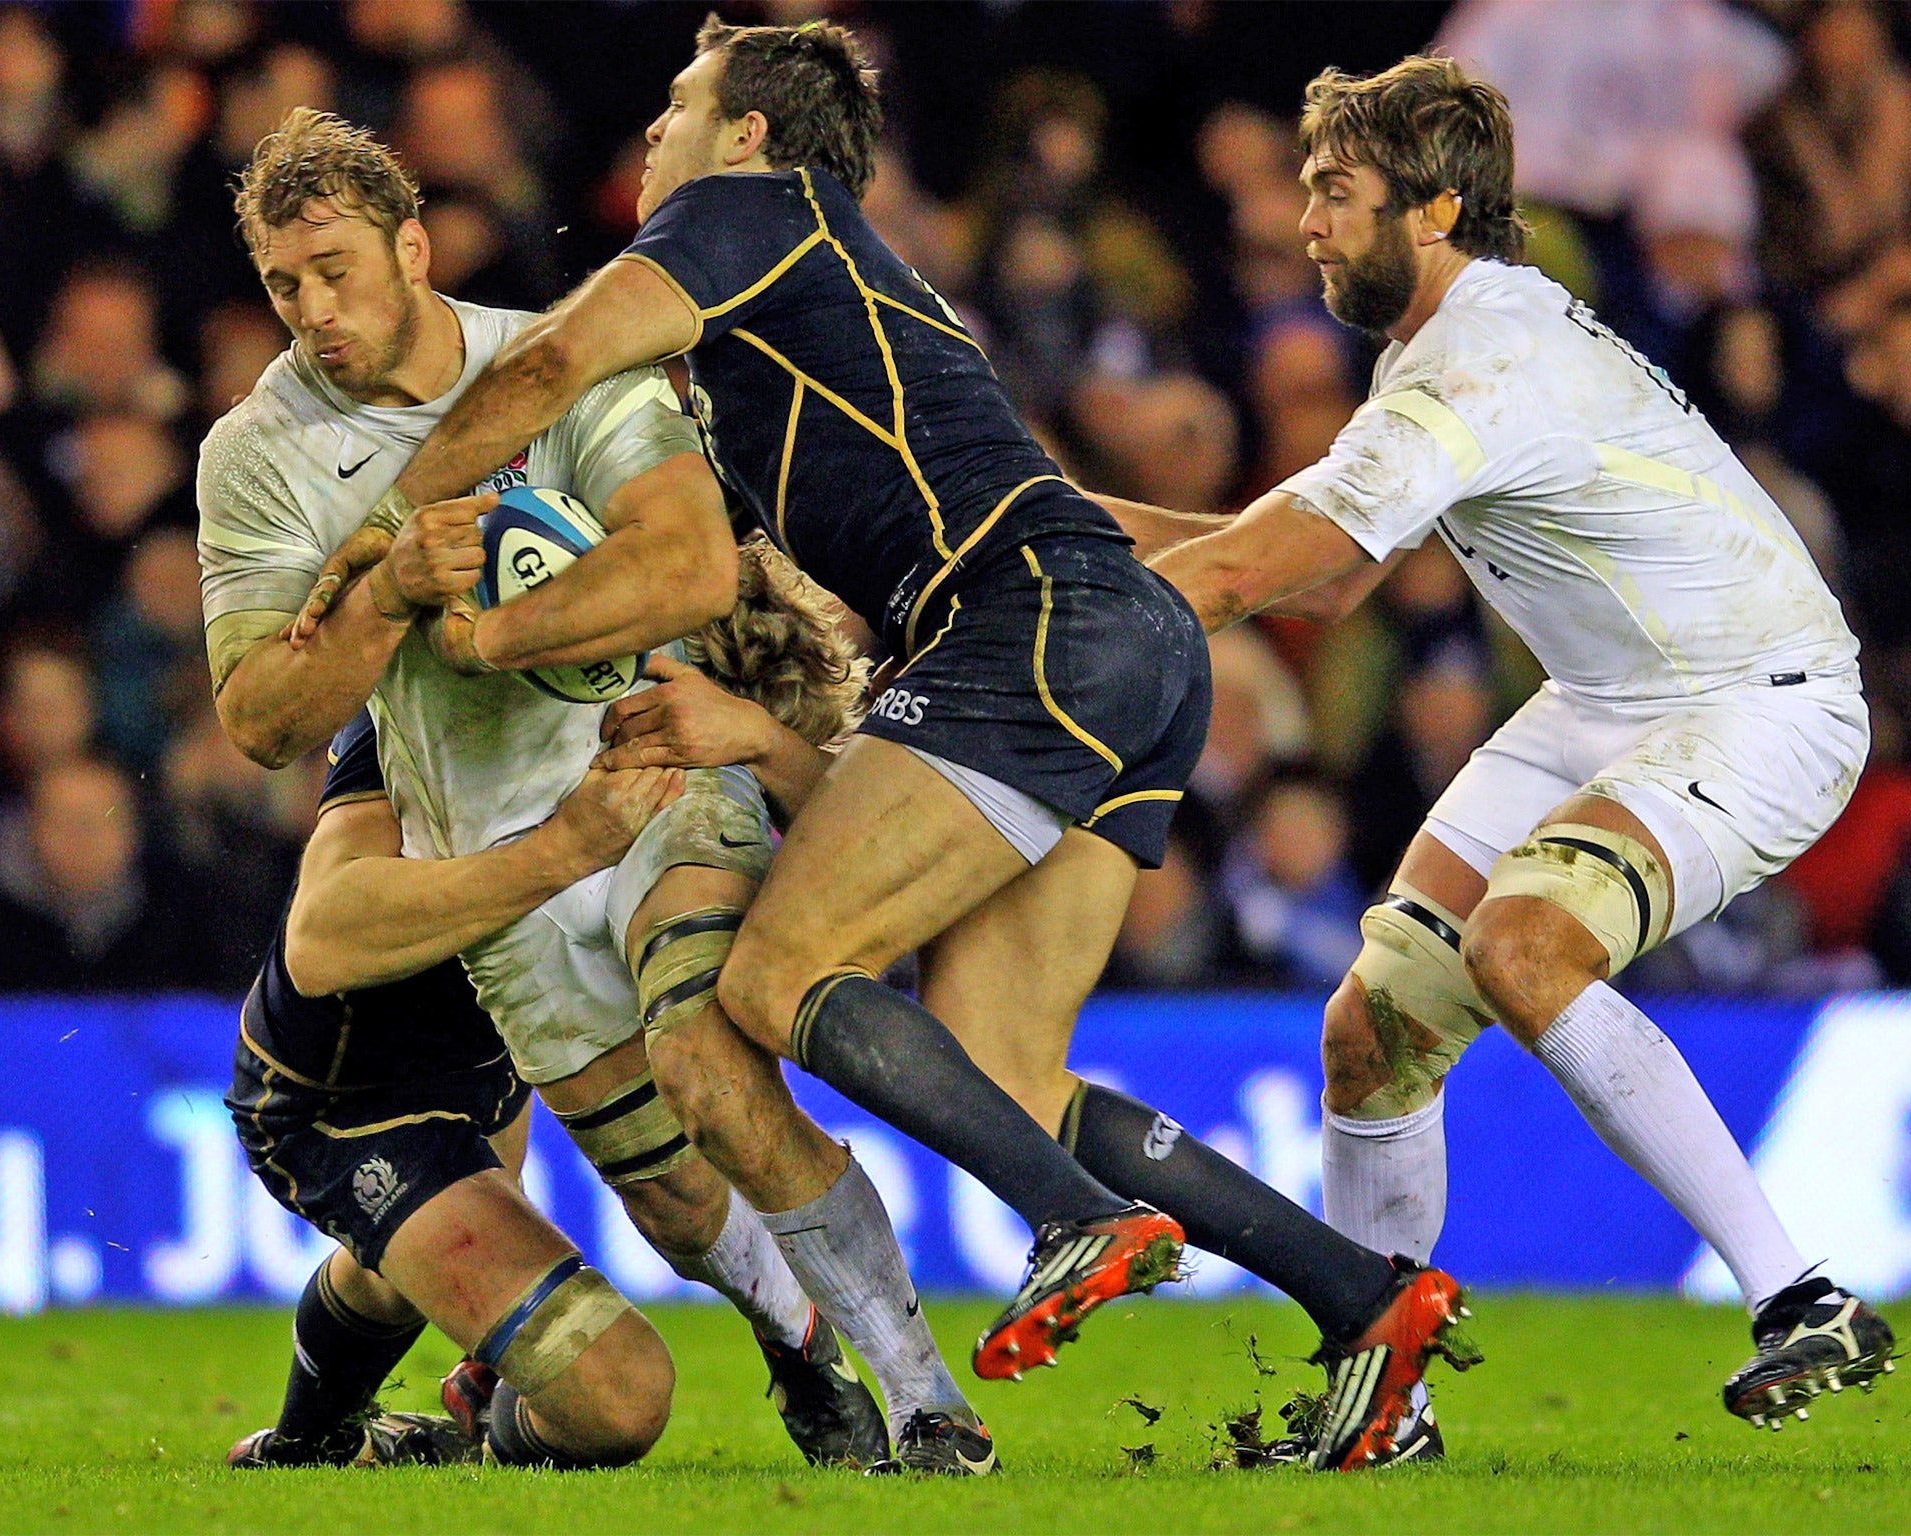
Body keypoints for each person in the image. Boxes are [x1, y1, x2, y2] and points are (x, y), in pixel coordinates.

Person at [295, 16, 1476, 1472]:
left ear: (750, 136)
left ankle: (1082, 1221)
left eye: (679, 102)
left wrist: (378, 525)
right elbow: (1058, 506)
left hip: (1024, 627)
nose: (654, 128)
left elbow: (537, 369)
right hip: (1123, 637)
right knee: (1004, 1072)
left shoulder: (754, 212)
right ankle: (1365, 1300)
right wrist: (1245, 565)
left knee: (781, 974)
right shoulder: (820, 313)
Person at [196, 108, 978, 1473]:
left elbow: (687, 569)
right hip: (499, 870)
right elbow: (264, 719)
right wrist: (386, 588)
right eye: (283, 283)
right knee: (674, 1199)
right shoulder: (255, 455)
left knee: (709, 1064)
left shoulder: (562, 365)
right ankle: (803, 1354)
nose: (314, 310)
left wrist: (488, 633)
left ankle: (930, 1409)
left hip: (652, 770)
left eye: (337, 268)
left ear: (416, 246)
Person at [1124, 55, 1896, 1434]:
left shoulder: (1482, 362)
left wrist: (1040, 572)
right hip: (1610, 698)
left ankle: (1801, 1296)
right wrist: (1052, 524)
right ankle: (1383, 1388)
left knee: (1522, 948)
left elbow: (1258, 578)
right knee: (1374, 1030)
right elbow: (1337, 574)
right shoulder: (1436, 343)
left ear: (1428, 211)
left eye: (1333, 192)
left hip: (1756, 698)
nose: (1304, 221)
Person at [230, 718, 683, 1469]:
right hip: (343, 1099)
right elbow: (318, 943)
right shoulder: (409, 718)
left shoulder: (636, 696)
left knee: (400, 1267)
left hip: (491, 1060)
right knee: (621, 1399)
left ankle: (311, 1446)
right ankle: (475, 1432)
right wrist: (563, 850)